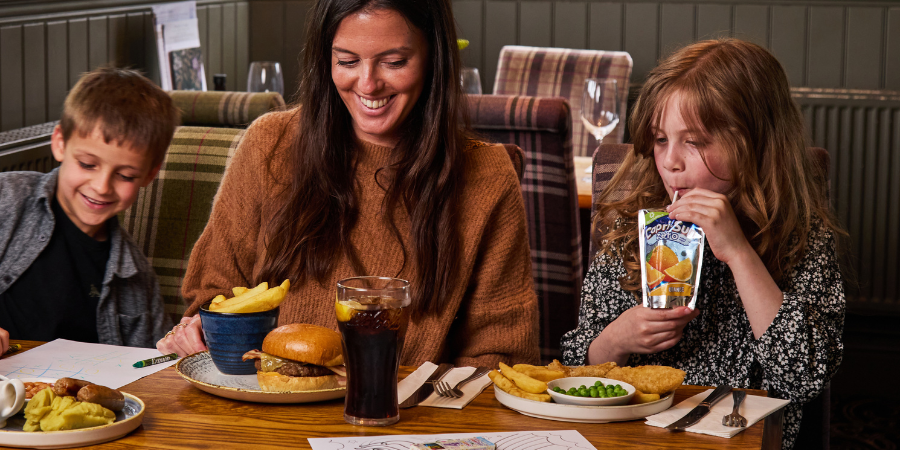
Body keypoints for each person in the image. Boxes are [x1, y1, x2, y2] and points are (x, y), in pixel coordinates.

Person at [156, 0, 540, 367]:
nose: (368, 85)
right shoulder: (269, 144)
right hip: (262, 404)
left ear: (433, 58)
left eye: (394, 62)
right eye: (347, 61)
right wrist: (199, 335)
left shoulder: (487, 176)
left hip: (407, 422)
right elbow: (212, 296)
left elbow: (501, 356)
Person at [560, 39, 844, 449]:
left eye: (695, 141)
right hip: (630, 435)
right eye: (660, 140)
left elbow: (804, 377)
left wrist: (738, 253)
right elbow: (573, 368)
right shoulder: (630, 226)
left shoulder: (801, 234)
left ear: (756, 141)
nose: (671, 161)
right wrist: (615, 340)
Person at [0, 67, 178, 348]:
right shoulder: (6, 198)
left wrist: (173, 351)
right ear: (60, 143)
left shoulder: (136, 276)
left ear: (149, 174)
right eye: (87, 164)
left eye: (126, 176)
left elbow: (151, 367)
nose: (102, 186)